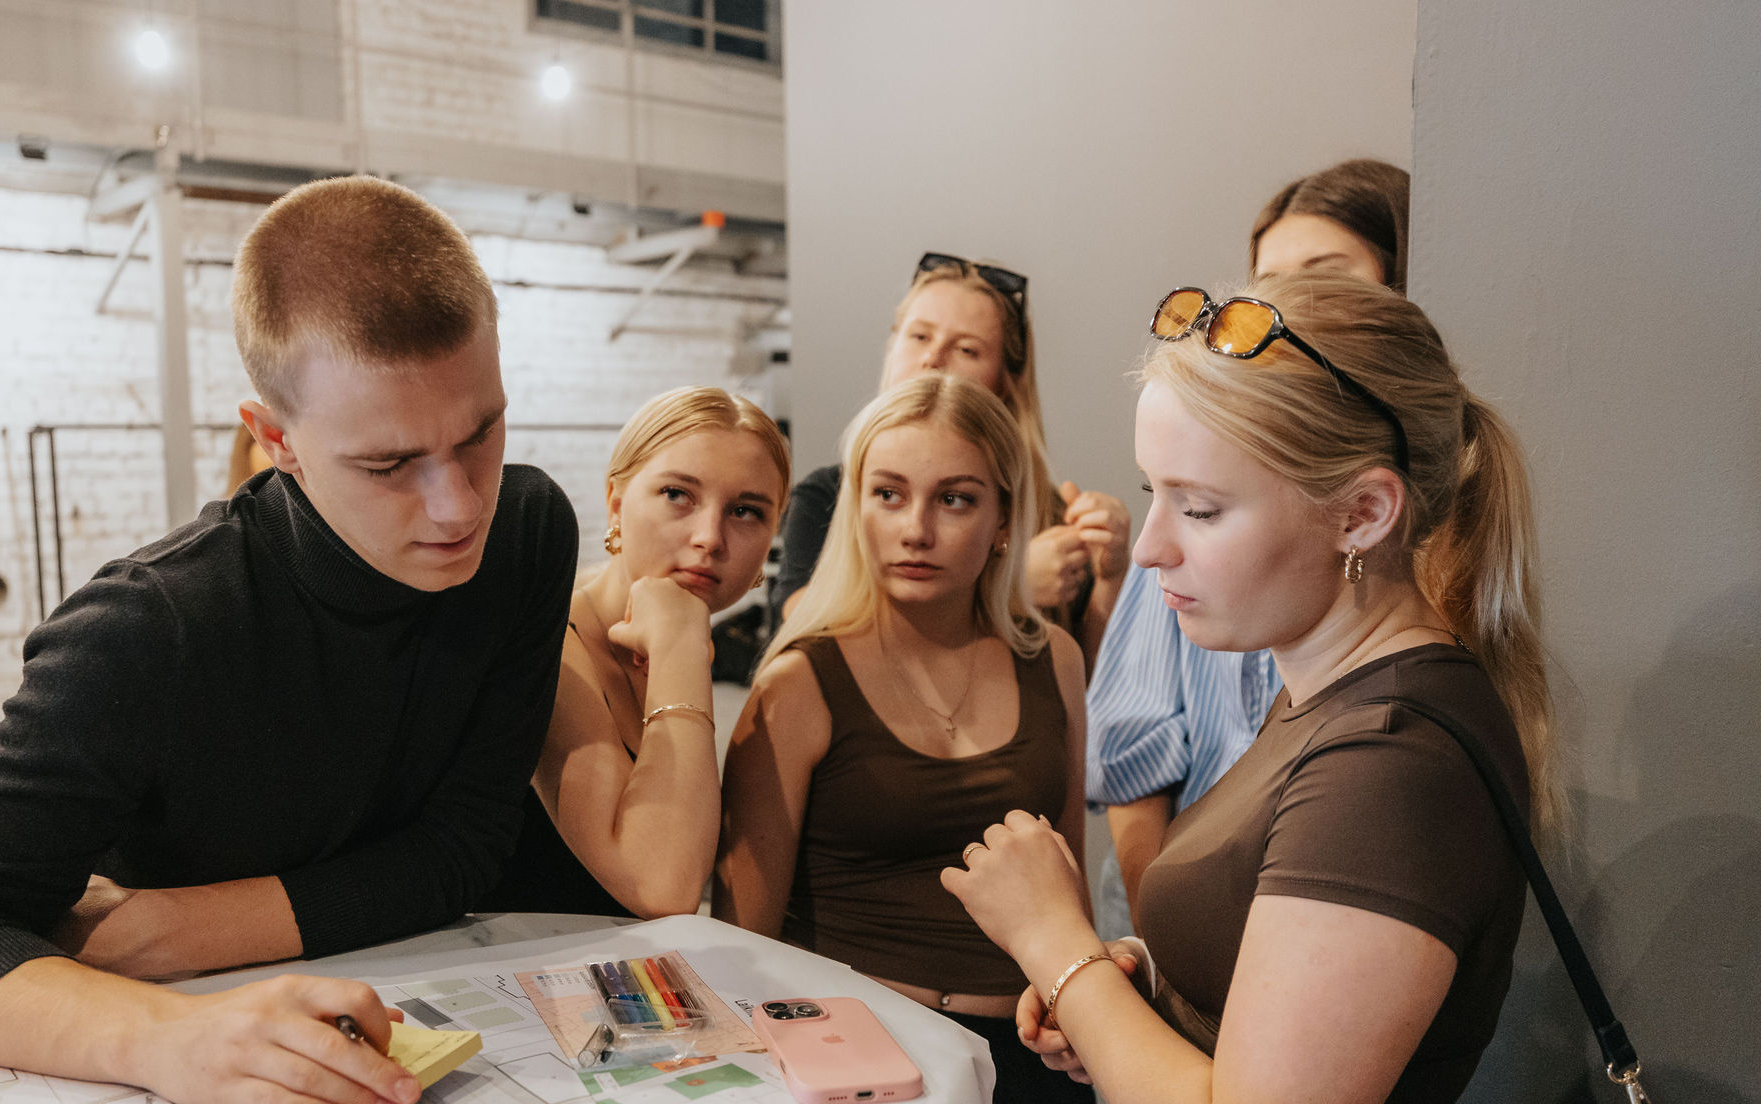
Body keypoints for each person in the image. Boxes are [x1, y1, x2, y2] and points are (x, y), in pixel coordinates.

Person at [0, 177, 577, 1104]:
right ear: (276, 439)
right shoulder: (147, 629)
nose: (459, 505)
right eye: (390, 464)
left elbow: (469, 843)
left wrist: (165, 930)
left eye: (480, 434)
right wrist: (164, 1035)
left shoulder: (526, 530)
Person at [945, 270, 1555, 1104]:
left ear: (1361, 512)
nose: (1147, 548)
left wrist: (1057, 944)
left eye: (1202, 508)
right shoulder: (1322, 694)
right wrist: (1126, 1005)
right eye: (1155, 493)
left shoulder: (1388, 758)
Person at [718, 372, 1096, 1104]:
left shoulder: (1050, 658)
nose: (914, 528)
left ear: (1005, 518)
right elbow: (736, 953)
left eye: (953, 498)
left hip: (1025, 1082)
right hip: (855, 1080)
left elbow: (1066, 889)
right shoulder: (801, 676)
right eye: (887, 494)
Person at [1088, 158, 1410, 933]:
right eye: (1266, 287)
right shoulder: (1183, 540)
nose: (1154, 545)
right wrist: (1158, 943)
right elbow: (1134, 742)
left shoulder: (1390, 741)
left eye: (1201, 508)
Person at [478, 387, 789, 919]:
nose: (709, 538)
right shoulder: (552, 638)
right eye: (677, 494)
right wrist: (681, 649)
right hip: (502, 981)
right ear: (616, 504)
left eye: (745, 511)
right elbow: (662, 888)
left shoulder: (680, 639)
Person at [769, 253, 1130, 670]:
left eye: (966, 349)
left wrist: (1110, 578)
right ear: (892, 346)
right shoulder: (826, 494)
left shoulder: (1049, 513)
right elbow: (805, 629)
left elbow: (1093, 683)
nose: (932, 359)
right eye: (919, 336)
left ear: (1006, 382)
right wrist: (1014, 588)